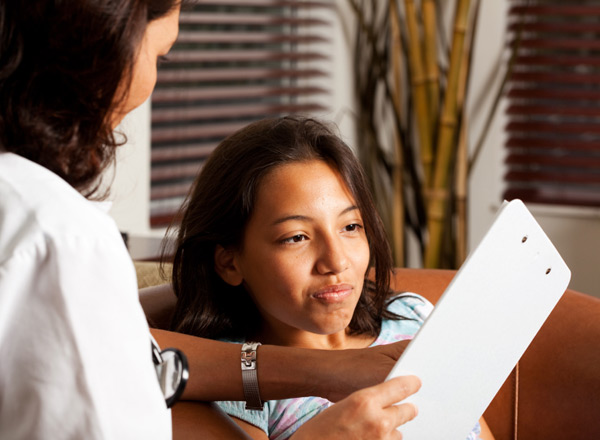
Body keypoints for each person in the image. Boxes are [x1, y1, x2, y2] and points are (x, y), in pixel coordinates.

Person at [0, 2, 421, 439]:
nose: (148, 85)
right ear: (98, 50)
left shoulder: (409, 317)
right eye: (159, 56)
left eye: (350, 226)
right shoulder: (60, 238)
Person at [167, 116, 494, 440]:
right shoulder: (229, 386)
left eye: (350, 227)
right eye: (296, 237)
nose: (336, 261)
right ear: (229, 263)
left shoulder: (413, 316)